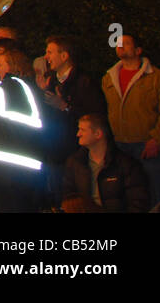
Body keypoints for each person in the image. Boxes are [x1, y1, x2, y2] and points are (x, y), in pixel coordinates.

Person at [0, 39, 49, 212]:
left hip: (13, 172)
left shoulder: (17, 86)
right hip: (7, 170)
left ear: (13, 63)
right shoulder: (10, 87)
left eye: (0, 62)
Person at [100, 32, 160, 208]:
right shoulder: (108, 78)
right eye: (118, 43)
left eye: (126, 43)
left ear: (138, 50)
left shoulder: (157, 78)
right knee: (126, 194)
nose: (120, 46)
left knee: (155, 191)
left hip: (147, 145)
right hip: (120, 145)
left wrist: (157, 139)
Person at [39, 35, 107, 204]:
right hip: (55, 154)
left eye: (50, 52)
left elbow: (96, 115)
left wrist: (65, 107)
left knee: (79, 201)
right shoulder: (51, 82)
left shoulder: (84, 82)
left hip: (77, 154)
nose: (46, 57)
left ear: (64, 55)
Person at [61, 112, 150, 213]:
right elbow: (69, 196)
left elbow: (138, 203)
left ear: (98, 134)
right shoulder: (75, 163)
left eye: (83, 130)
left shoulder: (126, 165)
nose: (78, 134)